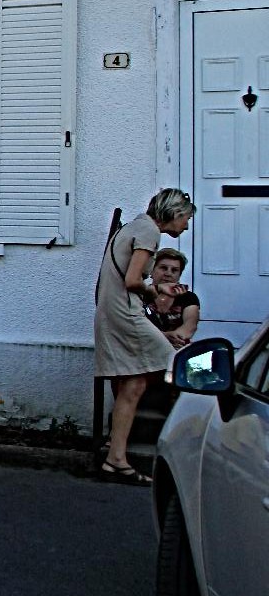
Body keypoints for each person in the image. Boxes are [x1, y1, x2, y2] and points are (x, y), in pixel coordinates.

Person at [94, 187, 196, 486]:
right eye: (186, 219)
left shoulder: (137, 226)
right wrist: (156, 289)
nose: (186, 226)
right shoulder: (149, 232)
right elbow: (133, 280)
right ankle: (196, 437)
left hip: (113, 310)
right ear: (175, 214)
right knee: (176, 364)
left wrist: (157, 288)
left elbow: (129, 275)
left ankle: (116, 459)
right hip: (126, 313)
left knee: (134, 383)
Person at [144, 248, 200, 349]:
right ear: (152, 271)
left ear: (179, 275)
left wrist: (175, 338)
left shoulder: (188, 297)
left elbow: (190, 325)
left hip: (175, 350)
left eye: (174, 270)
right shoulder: (141, 295)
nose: (168, 274)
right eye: (163, 268)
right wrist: (164, 337)